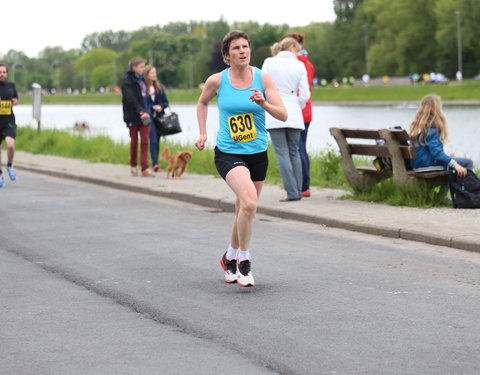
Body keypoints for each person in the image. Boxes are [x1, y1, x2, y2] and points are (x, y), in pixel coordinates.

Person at [195, 30, 287, 287]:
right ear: (227, 55)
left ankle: (229, 256)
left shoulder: (262, 77)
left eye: (245, 47)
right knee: (249, 203)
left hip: (257, 153)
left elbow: (283, 115)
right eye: (236, 48)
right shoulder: (217, 80)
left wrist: (264, 104)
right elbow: (202, 103)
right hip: (228, 152)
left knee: (242, 209)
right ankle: (244, 263)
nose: (243, 51)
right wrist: (203, 132)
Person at [262, 37, 310, 201]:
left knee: (282, 154)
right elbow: (305, 94)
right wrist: (298, 106)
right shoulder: (299, 65)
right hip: (294, 111)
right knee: (294, 152)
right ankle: (298, 191)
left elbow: (262, 87)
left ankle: (292, 193)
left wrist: (267, 104)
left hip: (275, 110)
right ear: (292, 47)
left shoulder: (269, 63)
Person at [280, 33, 315, 197]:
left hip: (299, 111)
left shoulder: (299, 64)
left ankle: (302, 186)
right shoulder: (306, 63)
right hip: (303, 110)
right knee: (299, 148)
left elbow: (303, 90)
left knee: (297, 149)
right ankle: (301, 185)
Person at [409, 94, 473, 175]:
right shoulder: (432, 129)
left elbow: (426, 151)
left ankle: (451, 186)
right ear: (437, 110)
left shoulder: (417, 129)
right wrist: (454, 164)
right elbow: (436, 154)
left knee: (451, 161)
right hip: (430, 166)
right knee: (468, 162)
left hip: (418, 166)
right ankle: (465, 187)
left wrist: (448, 158)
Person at [121, 57, 154, 177]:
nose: (143, 68)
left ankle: (144, 168)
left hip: (146, 116)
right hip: (134, 116)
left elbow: (147, 97)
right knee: (134, 141)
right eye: (141, 66)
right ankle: (133, 166)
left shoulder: (143, 80)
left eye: (143, 66)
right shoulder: (127, 82)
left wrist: (151, 108)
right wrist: (140, 111)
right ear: (134, 67)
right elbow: (131, 100)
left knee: (145, 141)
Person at [144, 65, 169, 172]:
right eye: (152, 73)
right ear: (147, 75)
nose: (155, 75)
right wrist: (152, 107)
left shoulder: (160, 87)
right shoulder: (143, 88)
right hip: (148, 119)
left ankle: (155, 164)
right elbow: (142, 104)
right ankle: (155, 165)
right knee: (153, 140)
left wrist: (161, 107)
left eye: (155, 73)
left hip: (159, 119)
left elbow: (165, 102)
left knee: (157, 141)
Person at [0, 63, 19, 188]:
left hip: (8, 120)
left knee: (11, 145)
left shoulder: (10, 85)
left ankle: (10, 165)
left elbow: (16, 99)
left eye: (4, 72)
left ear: (6, 73)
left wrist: (15, 101)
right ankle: (0, 174)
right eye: (0, 72)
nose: (2, 74)